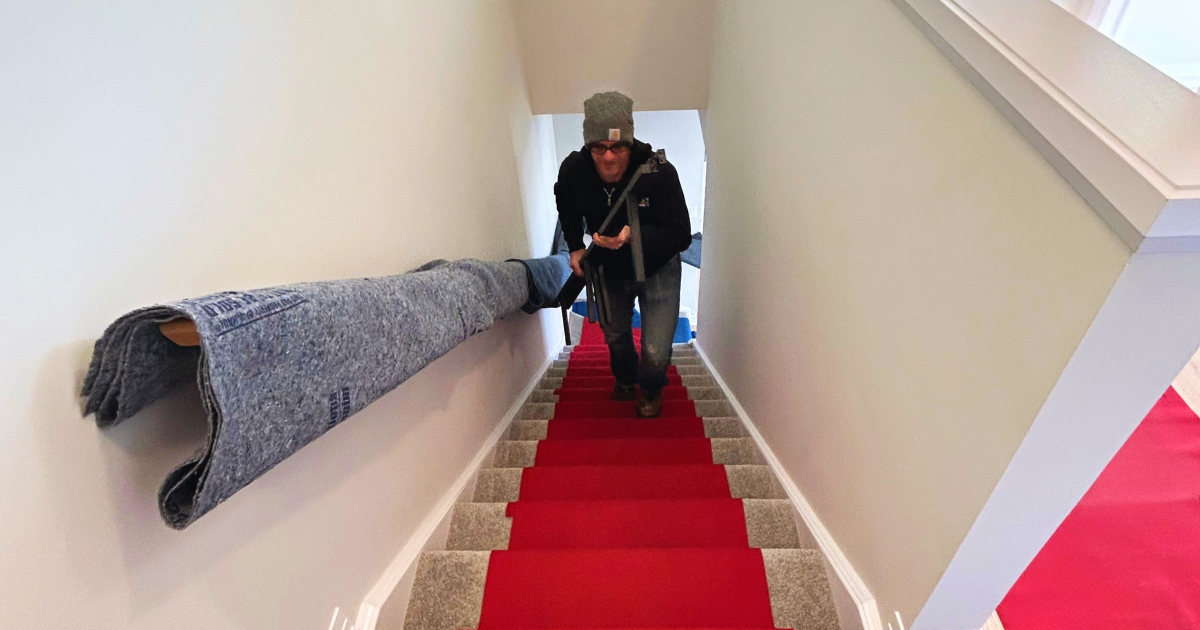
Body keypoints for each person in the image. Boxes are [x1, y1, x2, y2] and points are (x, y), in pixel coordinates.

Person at [554, 91, 692, 418]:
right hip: (609, 268)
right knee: (615, 336)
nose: (609, 157)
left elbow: (681, 233)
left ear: (630, 142)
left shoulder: (659, 172)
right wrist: (575, 245)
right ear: (588, 145)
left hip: (658, 267)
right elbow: (565, 201)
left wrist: (635, 238)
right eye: (598, 147)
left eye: (618, 146)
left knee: (656, 349)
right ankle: (627, 380)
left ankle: (652, 388)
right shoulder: (574, 170)